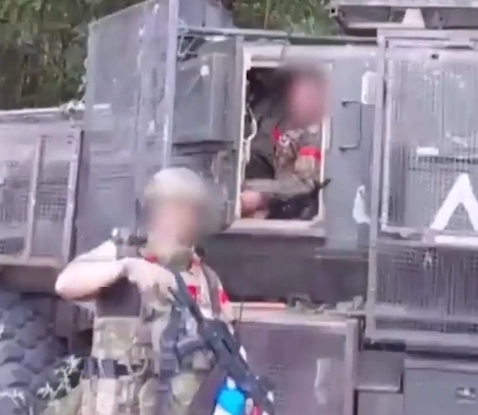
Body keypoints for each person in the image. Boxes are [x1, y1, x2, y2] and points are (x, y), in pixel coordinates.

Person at [43, 166, 231, 415]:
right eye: (169, 209)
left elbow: (229, 346)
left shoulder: (207, 279)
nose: (175, 219)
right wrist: (126, 267)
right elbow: (65, 284)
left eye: (185, 210)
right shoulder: (123, 254)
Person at [239, 66, 328, 219]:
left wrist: (260, 195)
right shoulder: (271, 115)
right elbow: (258, 155)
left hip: (301, 212)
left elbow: (305, 184)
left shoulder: (318, 133)